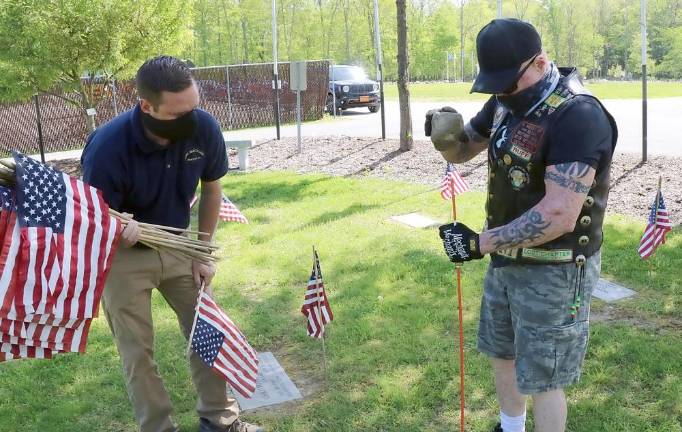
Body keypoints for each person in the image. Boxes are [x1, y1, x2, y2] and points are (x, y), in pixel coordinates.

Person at [424, 19, 617, 432]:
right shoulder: (504, 102)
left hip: (557, 267)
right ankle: (510, 428)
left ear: (540, 63)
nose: (500, 93)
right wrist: (445, 137)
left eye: (506, 84)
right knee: (504, 353)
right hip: (505, 260)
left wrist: (481, 242)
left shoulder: (578, 115)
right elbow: (463, 151)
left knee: (545, 376)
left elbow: (559, 213)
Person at [81, 56, 262, 432]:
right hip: (123, 257)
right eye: (179, 113)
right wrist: (119, 227)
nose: (191, 120)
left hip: (179, 245)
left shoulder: (203, 128)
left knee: (208, 329)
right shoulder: (108, 147)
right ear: (146, 106)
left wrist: (203, 250)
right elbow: (92, 218)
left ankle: (221, 420)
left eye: (194, 108)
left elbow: (212, 188)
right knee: (138, 353)